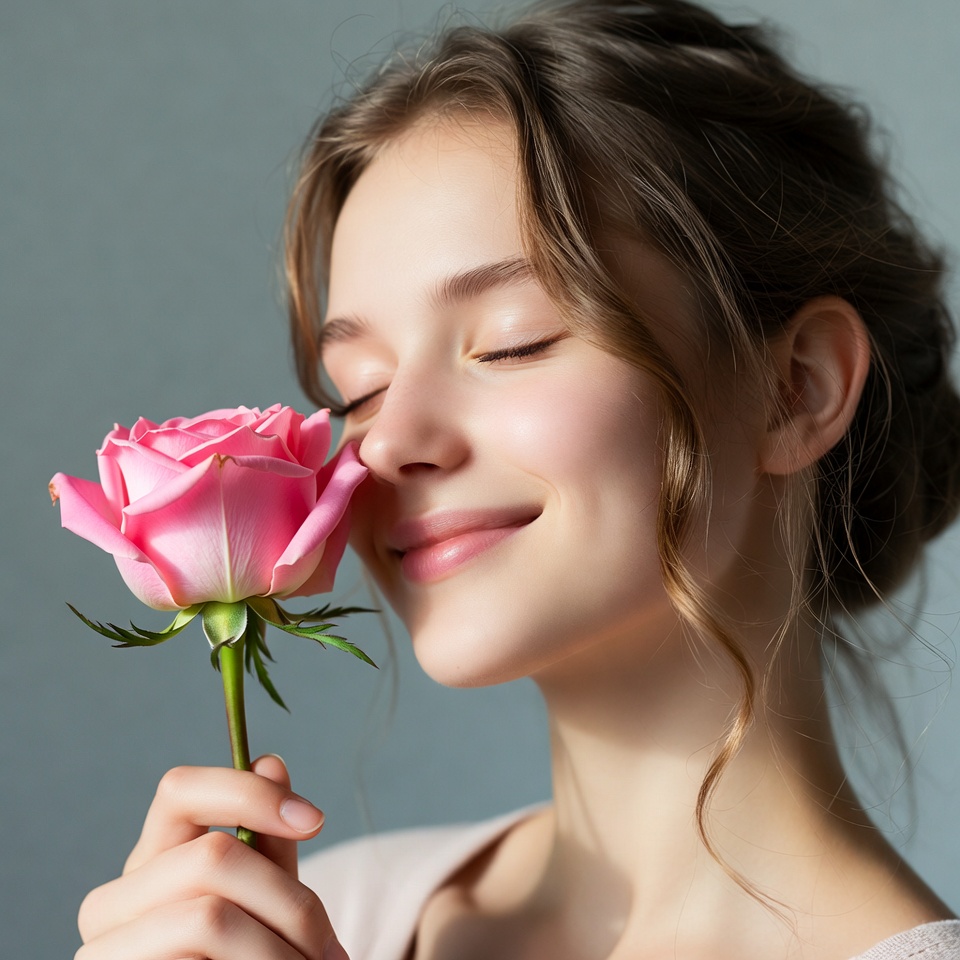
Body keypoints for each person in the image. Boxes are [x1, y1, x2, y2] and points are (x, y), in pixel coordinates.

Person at [74, 1, 960, 958]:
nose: (384, 444)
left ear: (796, 388)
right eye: (358, 391)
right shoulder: (322, 916)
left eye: (511, 343)